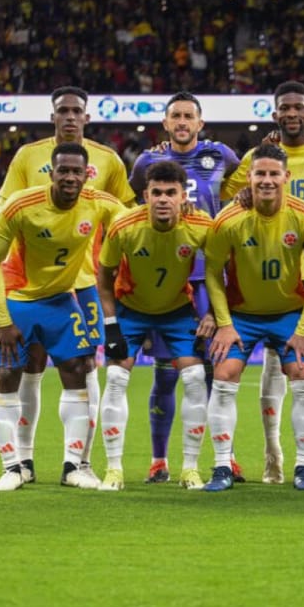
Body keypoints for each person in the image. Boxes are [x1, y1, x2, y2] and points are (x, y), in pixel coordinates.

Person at [0, 86, 136, 488]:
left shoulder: (107, 160)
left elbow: (123, 220)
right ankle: (22, 461)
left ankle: (79, 462)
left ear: (87, 117)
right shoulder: (28, 156)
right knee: (32, 366)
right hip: (35, 283)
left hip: (87, 280)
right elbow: (4, 212)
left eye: (78, 111)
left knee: (84, 367)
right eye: (64, 110)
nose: (71, 117)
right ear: (53, 115)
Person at [221, 81, 304, 485]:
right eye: (284, 108)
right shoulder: (254, 162)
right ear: (274, 114)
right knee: (269, 377)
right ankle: (272, 453)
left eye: (298, 107)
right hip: (260, 285)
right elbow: (231, 194)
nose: (291, 114)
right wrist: (242, 195)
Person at [201, 143, 304, 492]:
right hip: (242, 315)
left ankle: (303, 467)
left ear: (287, 176)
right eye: (261, 174)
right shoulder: (228, 219)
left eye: (274, 174)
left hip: (289, 313)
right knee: (224, 374)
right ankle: (222, 465)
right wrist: (224, 324)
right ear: (250, 177)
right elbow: (212, 272)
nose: (268, 180)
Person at [129, 91, 241, 485]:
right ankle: (159, 459)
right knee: (166, 374)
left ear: (199, 122)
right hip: (167, 277)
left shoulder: (221, 156)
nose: (181, 121)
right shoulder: (147, 162)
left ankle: (224, 456)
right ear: (165, 123)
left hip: (210, 275)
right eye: (174, 115)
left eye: (188, 116)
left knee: (216, 370)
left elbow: (244, 190)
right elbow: (135, 210)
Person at [96, 161, 214, 491]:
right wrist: (111, 326)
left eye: (170, 193)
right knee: (116, 378)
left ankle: (190, 468)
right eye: (157, 193)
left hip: (177, 310)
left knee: (194, 379)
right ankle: (114, 469)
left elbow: (220, 271)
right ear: (146, 195)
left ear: (182, 196)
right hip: (131, 310)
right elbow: (103, 278)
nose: (163, 199)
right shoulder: (124, 226)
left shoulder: (201, 226)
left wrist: (214, 314)